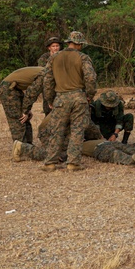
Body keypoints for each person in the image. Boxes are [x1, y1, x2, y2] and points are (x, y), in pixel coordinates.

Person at [41, 31, 97, 172]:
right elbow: (90, 78)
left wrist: (50, 98)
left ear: (68, 42)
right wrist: (89, 95)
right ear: (79, 44)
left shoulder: (54, 58)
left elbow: (47, 80)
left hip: (60, 97)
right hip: (79, 97)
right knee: (77, 130)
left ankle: (50, 162)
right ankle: (73, 163)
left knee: (56, 130)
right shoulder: (83, 57)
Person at [13, 137, 135, 166]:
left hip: (102, 145)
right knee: (120, 149)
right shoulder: (78, 142)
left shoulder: (75, 145)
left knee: (116, 152)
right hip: (104, 144)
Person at [0, 66, 45, 144]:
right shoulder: (44, 75)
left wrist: (26, 110)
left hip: (15, 88)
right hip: (7, 88)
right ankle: (20, 149)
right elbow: (31, 93)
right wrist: (25, 111)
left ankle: (28, 146)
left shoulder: (46, 72)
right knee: (19, 119)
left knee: (25, 118)